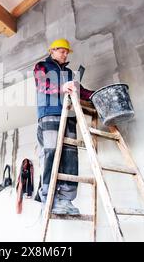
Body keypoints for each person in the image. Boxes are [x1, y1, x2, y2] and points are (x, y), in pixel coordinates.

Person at [34, 38, 94, 215]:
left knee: (70, 156)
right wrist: (62, 87)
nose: (65, 53)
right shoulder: (42, 66)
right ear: (51, 51)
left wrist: (94, 95)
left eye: (67, 52)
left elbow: (80, 91)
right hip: (50, 113)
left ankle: (66, 200)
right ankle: (49, 197)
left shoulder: (68, 72)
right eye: (61, 50)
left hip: (69, 115)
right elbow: (42, 85)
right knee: (52, 153)